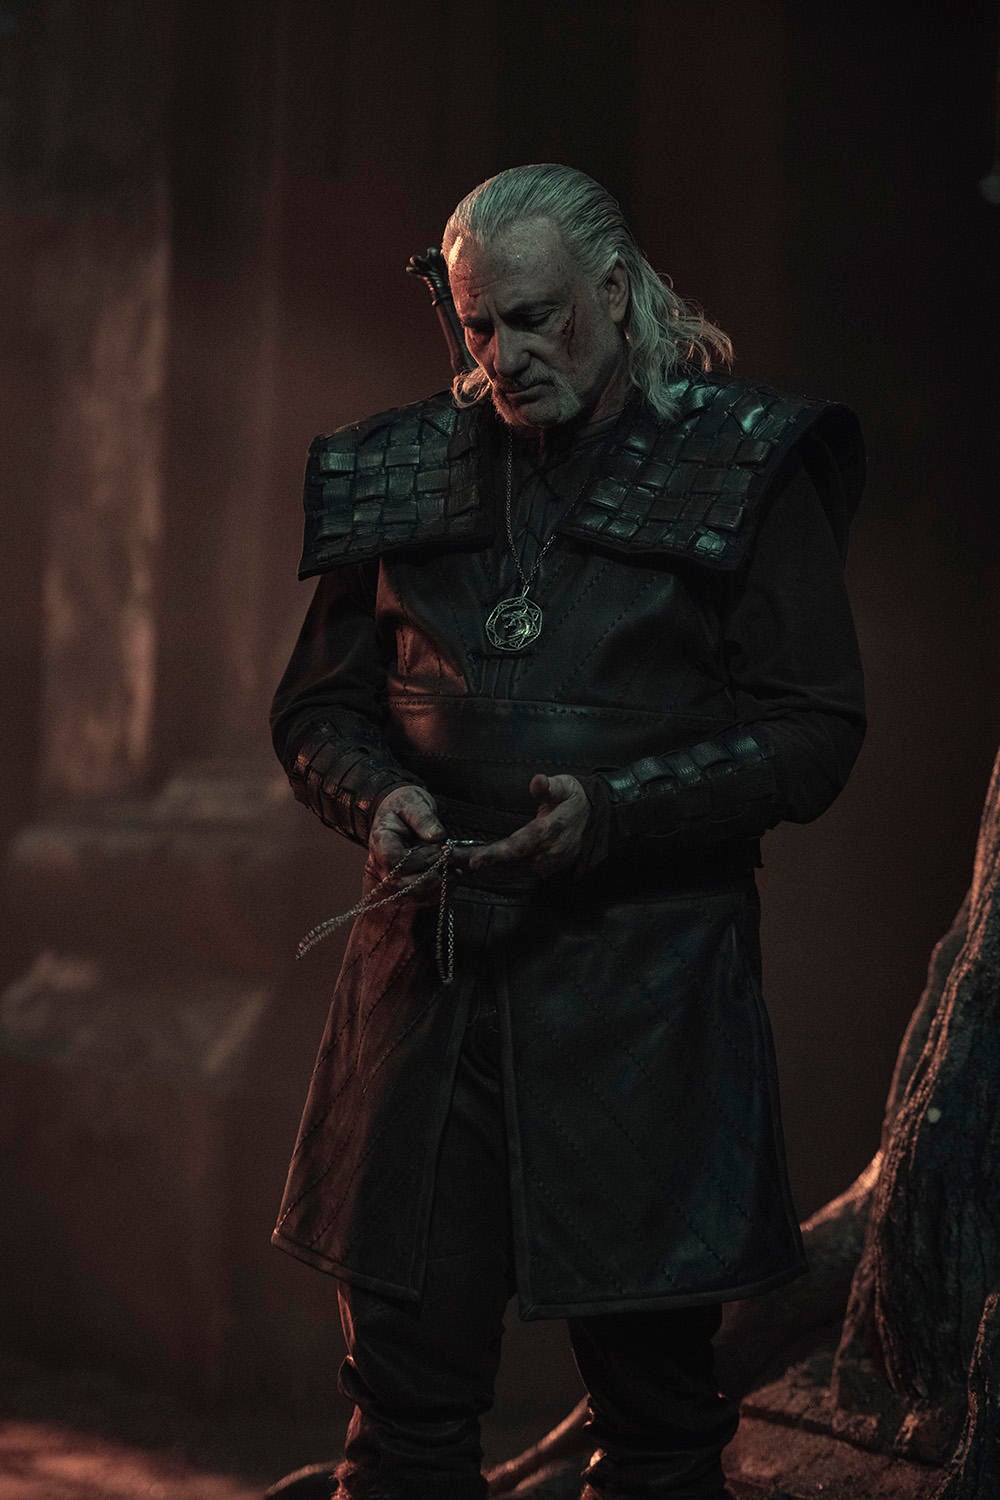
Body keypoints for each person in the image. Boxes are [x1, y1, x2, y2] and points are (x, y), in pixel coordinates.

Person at [266, 163, 866, 1500]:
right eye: (478, 324)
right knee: (402, 1414)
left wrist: (616, 814)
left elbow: (813, 730)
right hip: (426, 992)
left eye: (536, 320)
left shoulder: (742, 462)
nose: (503, 357)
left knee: (656, 1423)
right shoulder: (401, 468)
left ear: (615, 288)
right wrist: (378, 797)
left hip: (644, 993)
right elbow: (318, 709)